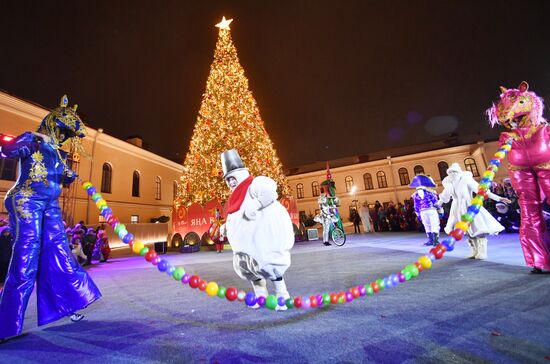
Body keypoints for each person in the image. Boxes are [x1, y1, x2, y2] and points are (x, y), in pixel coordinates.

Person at [0, 95, 101, 342]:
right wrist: (17, 143)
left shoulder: (57, 153)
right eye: (64, 132)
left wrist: (67, 176)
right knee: (26, 259)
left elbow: (59, 179)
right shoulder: (33, 139)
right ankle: (5, 325)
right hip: (27, 200)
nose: (65, 138)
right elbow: (8, 149)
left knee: (60, 252)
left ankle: (68, 304)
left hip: (49, 204)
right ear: (55, 124)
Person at [487, 81, 550, 273]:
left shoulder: (544, 129)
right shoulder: (509, 136)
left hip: (546, 165)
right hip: (519, 169)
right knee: (529, 213)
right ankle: (538, 260)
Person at [219, 149, 294, 310]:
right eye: (228, 180)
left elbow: (269, 191)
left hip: (262, 241)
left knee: (269, 265)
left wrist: (257, 204)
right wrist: (226, 227)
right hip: (245, 247)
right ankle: (261, 296)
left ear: (240, 175)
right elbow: (235, 215)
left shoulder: (254, 185)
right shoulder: (234, 197)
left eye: (233, 178)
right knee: (249, 269)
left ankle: (282, 296)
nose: (232, 183)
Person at [437, 163, 510, 260]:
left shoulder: (466, 179)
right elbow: (444, 196)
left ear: (459, 172)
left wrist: (498, 198)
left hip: (469, 206)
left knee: (476, 227)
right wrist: (438, 204)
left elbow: (480, 190)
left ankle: (482, 251)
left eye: (454, 171)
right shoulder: (449, 183)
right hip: (457, 209)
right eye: (450, 172)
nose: (452, 174)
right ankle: (473, 250)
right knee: (465, 229)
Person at [410, 175, 443, 246]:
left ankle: (430, 240)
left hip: (422, 211)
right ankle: (435, 241)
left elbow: (416, 206)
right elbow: (436, 203)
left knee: (427, 225)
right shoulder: (430, 192)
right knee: (434, 224)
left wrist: (418, 214)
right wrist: (440, 210)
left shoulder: (415, 195)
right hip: (431, 210)